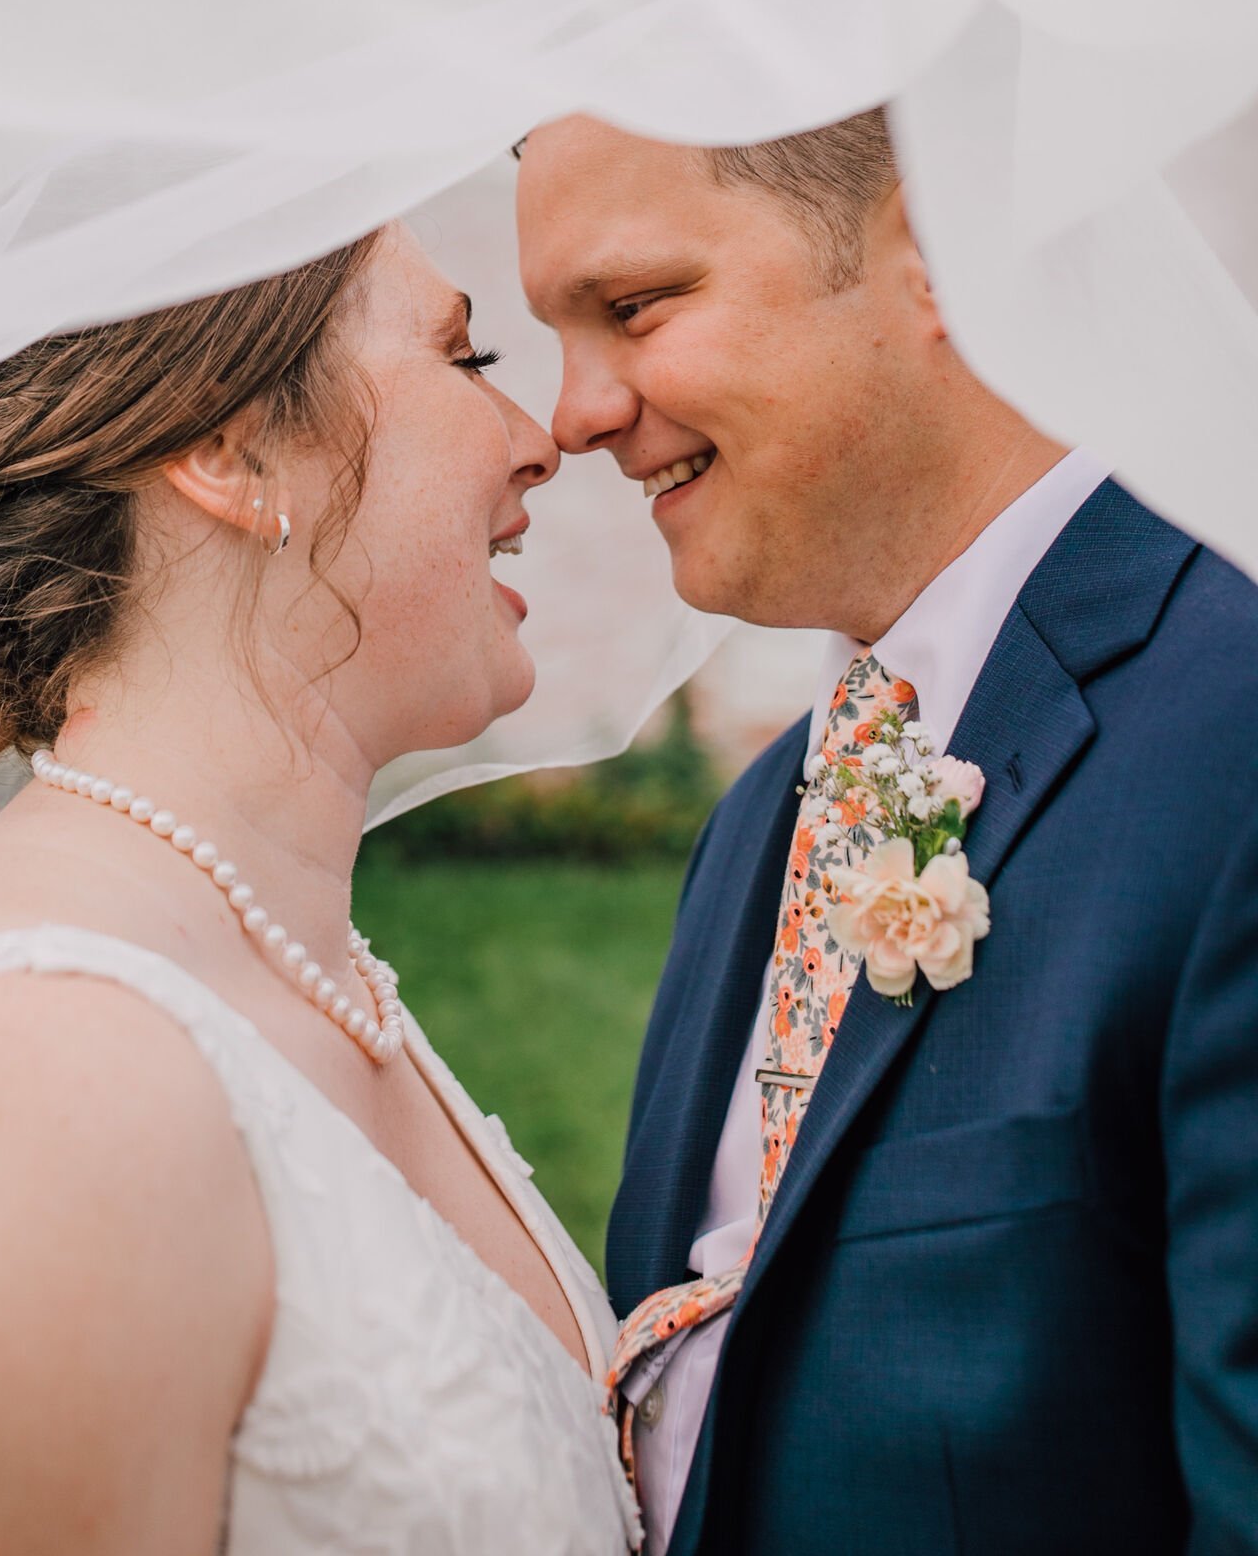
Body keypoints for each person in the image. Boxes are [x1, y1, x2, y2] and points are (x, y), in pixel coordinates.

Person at [0, 224, 641, 1556]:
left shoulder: (303, 975)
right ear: (229, 451)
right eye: (460, 353)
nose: (538, 437)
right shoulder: (19, 1087)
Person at [517, 109, 1258, 1556]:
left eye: (633, 308)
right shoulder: (758, 827)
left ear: (938, 259)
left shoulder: (1236, 742)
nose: (574, 413)